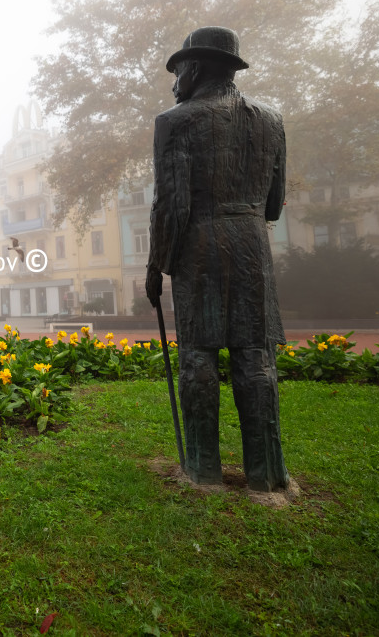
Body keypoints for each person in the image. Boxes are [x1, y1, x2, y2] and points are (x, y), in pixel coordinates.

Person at [145, 26, 289, 492]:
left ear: (197, 68)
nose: (174, 81)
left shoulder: (175, 121)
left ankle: (202, 469)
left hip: (200, 246)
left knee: (198, 359)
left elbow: (171, 204)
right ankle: (267, 476)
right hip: (252, 245)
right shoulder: (271, 120)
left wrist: (156, 265)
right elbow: (273, 204)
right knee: (256, 358)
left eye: (178, 69)